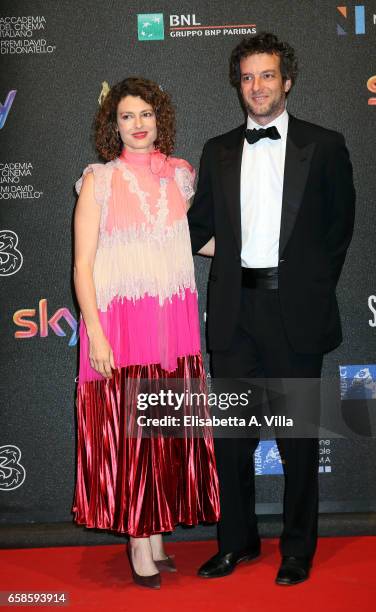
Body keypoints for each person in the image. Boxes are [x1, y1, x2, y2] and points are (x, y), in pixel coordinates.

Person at [188, 32, 355, 585]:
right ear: (238, 85)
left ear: (286, 80)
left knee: (298, 443)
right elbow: (197, 228)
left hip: (295, 313)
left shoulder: (325, 145)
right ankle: (237, 543)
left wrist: (305, 286)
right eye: (247, 78)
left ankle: (298, 550)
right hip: (236, 313)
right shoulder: (216, 151)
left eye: (266, 76)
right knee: (233, 443)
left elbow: (339, 230)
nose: (256, 87)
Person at [72, 77, 220, 589]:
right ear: (113, 125)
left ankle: (157, 535)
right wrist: (96, 334)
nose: (138, 125)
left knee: (163, 433)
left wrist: (263, 247)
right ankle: (138, 538)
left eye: (146, 115)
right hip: (123, 329)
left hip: (173, 329)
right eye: (127, 116)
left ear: (161, 120)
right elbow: (82, 265)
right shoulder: (99, 180)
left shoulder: (180, 176)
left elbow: (196, 241)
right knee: (134, 437)